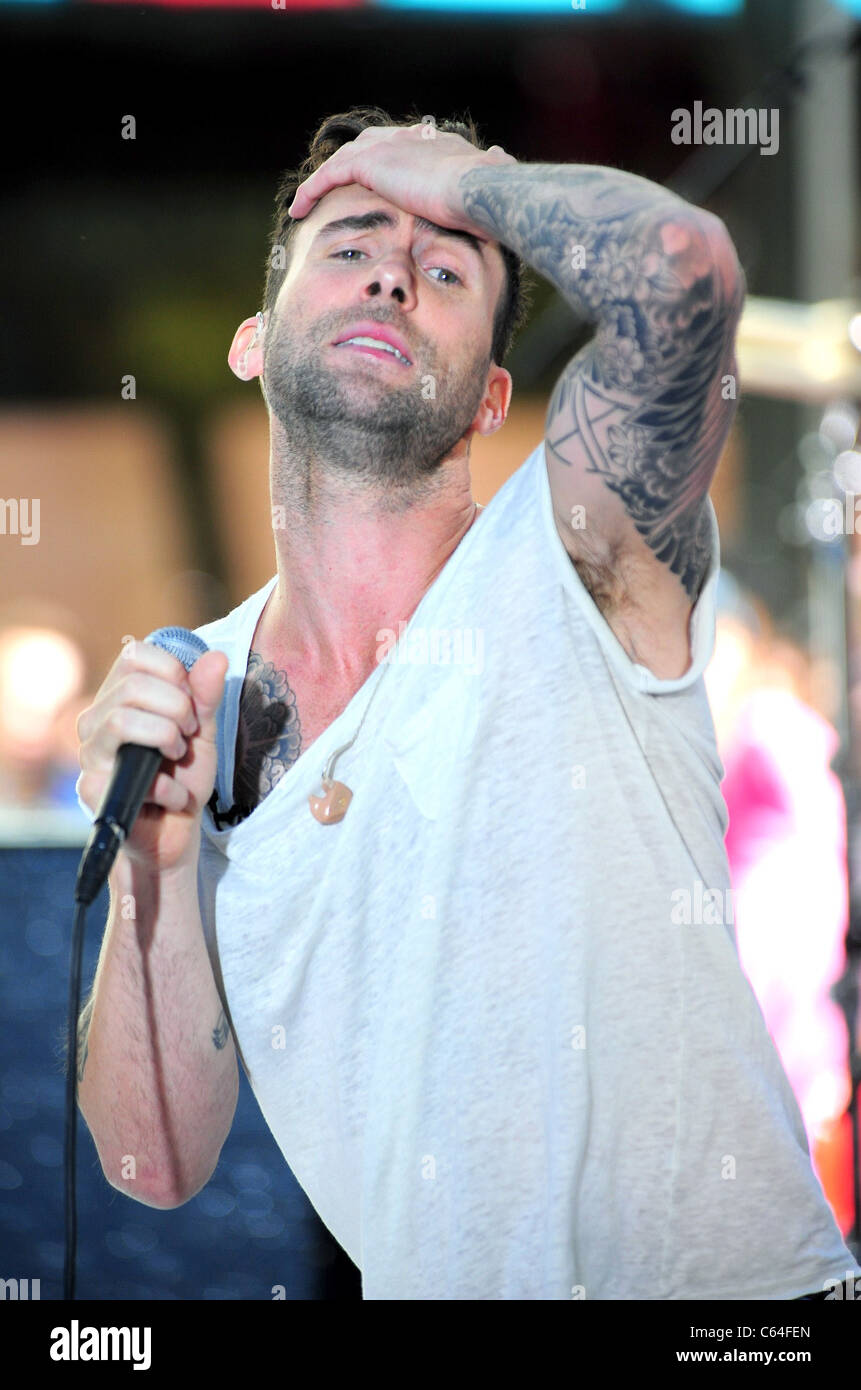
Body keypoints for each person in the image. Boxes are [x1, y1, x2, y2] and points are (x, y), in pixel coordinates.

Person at [74, 105, 860, 1300]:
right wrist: (155, 866)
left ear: (494, 400)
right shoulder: (199, 695)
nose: (392, 269)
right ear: (252, 342)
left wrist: (466, 180)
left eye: (445, 266)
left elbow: (685, 270)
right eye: (348, 245)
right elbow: (154, 1163)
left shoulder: (581, 553)